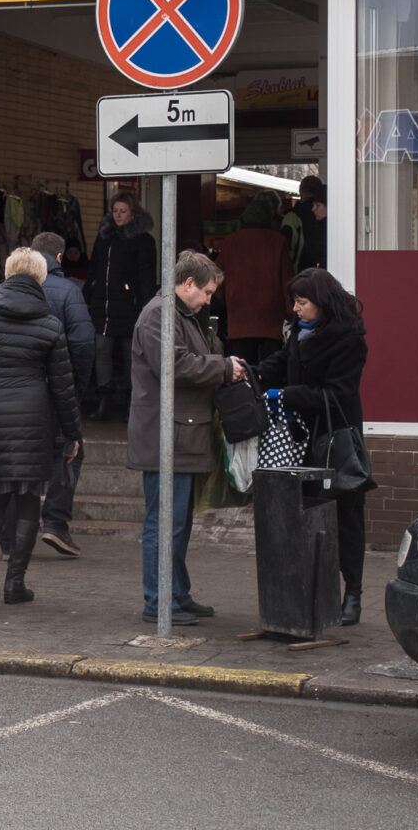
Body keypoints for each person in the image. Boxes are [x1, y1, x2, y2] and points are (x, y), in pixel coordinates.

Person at [0, 247, 82, 605]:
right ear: (41, 277)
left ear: (7, 274)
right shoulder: (50, 324)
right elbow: (63, 387)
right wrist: (71, 434)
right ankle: (15, 583)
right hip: (35, 416)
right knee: (27, 497)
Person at [128, 251, 247, 627]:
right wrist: (223, 368)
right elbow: (175, 364)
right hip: (167, 435)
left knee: (177, 522)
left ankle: (176, 594)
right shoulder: (159, 314)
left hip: (180, 431)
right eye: (207, 292)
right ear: (189, 283)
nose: (209, 300)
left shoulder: (179, 315)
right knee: (164, 522)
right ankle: (159, 601)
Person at [256, 268, 369, 626]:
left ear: (322, 302)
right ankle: (316, 591)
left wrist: (286, 395)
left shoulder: (349, 340)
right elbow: (283, 361)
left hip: (336, 440)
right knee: (306, 514)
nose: (295, 308)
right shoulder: (299, 331)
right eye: (294, 301)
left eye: (302, 302)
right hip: (301, 439)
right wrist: (255, 373)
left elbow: (337, 394)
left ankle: (353, 593)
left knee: (345, 516)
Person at [31, 231, 95, 558]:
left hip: (14, 390)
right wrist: (76, 388)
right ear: (59, 258)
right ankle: (55, 523)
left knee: (21, 455)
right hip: (57, 389)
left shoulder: (7, 287)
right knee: (68, 451)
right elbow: (83, 345)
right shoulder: (69, 291)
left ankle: (15, 532)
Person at [85, 190, 158, 419]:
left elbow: (146, 274)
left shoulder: (143, 241)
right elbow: (94, 267)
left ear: (133, 213)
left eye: (123, 211)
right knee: (101, 351)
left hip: (129, 306)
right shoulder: (104, 237)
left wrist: (146, 304)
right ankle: (104, 400)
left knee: (130, 355)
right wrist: (89, 293)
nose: (117, 215)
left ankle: (130, 403)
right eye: (115, 210)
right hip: (104, 304)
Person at [217, 195, 293, 368]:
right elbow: (287, 278)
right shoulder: (279, 241)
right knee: (271, 367)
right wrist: (290, 311)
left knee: (242, 368)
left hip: (239, 315)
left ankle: (247, 386)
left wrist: (220, 299)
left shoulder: (230, 242)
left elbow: (217, 275)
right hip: (271, 316)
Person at [281, 175, 327, 272]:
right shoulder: (334, 225)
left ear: (300, 191)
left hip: (299, 271)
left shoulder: (292, 216)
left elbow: (286, 247)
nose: (313, 209)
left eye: (317, 205)